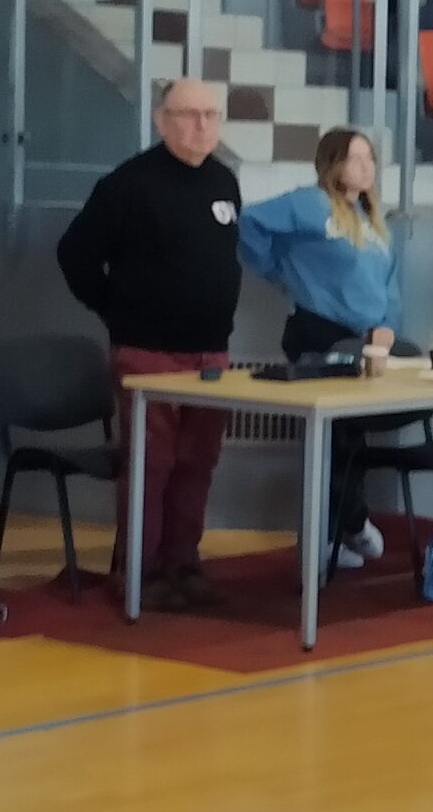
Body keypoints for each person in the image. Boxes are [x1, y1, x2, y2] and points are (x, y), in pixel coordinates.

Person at [55, 79, 242, 609]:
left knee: (197, 463)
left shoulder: (224, 182)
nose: (201, 125)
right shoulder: (129, 184)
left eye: (211, 115)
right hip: (148, 352)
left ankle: (183, 562)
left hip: (211, 355)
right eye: (188, 114)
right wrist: (116, 311)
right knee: (151, 466)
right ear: (161, 121)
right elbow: (74, 254)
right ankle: (141, 572)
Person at [238, 127, 403, 570]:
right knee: (331, 441)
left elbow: (390, 283)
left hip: (366, 340)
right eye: (355, 158)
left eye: (370, 158)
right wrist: (276, 270)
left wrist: (388, 326)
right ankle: (340, 526)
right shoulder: (310, 204)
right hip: (319, 333)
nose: (366, 167)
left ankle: (342, 529)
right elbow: (251, 223)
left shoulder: (373, 221)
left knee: (352, 437)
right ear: (332, 165)